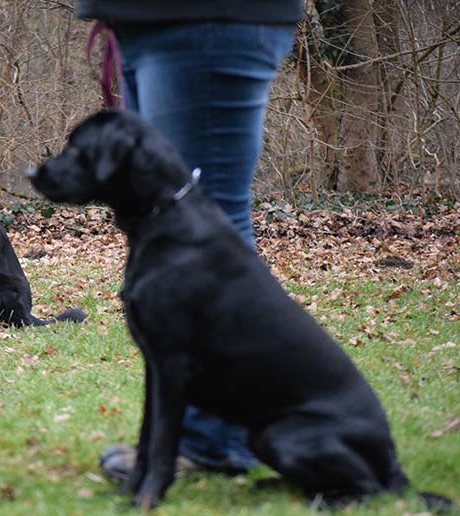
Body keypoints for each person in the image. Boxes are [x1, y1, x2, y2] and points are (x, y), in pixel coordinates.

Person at [75, 1, 304, 480]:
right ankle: (195, 436)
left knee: (207, 222)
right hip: (148, 22)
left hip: (204, 19)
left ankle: (215, 439)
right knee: (179, 227)